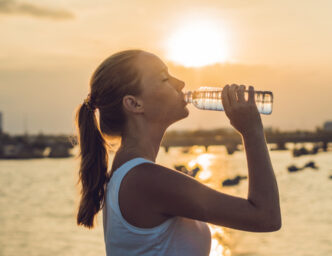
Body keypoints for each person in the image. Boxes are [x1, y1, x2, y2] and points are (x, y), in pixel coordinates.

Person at [75, 49, 281, 256]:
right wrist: (252, 130)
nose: (180, 84)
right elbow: (265, 216)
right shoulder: (145, 180)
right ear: (134, 103)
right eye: (165, 78)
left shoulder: (128, 173)